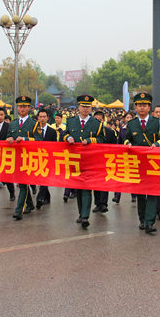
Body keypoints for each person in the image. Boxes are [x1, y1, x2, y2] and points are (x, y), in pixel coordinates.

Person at [124, 93, 160, 234]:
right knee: (141, 194)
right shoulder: (131, 124)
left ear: (149, 107)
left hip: (154, 163)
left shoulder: (158, 122)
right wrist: (128, 143)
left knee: (152, 193)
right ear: (135, 107)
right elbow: (126, 139)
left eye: (145, 105)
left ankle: (150, 222)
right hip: (138, 164)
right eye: (139, 105)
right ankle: (142, 219)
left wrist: (157, 143)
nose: (142, 108)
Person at [62, 95, 106, 228]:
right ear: (78, 107)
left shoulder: (97, 123)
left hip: (90, 160)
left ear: (91, 108)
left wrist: (90, 140)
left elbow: (102, 139)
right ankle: (81, 214)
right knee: (79, 188)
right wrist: (68, 137)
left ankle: (85, 216)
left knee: (87, 188)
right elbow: (63, 134)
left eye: (88, 106)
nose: (85, 109)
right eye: (83, 106)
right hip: (75, 160)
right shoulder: (71, 121)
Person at [8, 96, 39, 221]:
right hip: (16, 158)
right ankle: (30, 204)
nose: (22, 109)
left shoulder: (34, 124)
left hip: (28, 158)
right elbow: (8, 137)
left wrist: (25, 139)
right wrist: (9, 139)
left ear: (29, 108)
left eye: (25, 106)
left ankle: (18, 210)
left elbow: (39, 140)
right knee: (22, 184)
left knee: (23, 184)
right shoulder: (13, 123)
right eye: (20, 106)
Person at [92, 110, 116, 213]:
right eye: (96, 119)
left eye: (100, 119)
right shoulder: (90, 132)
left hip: (106, 160)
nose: (98, 121)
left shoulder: (110, 132)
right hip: (93, 161)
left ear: (103, 120)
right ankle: (97, 203)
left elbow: (115, 147)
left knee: (105, 182)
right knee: (95, 183)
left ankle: (103, 204)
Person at [34, 108, 58, 209]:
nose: (42, 119)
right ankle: (47, 196)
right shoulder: (34, 130)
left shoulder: (52, 132)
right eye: (40, 117)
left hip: (47, 159)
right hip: (36, 158)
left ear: (47, 118)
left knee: (44, 179)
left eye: (44, 117)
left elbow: (55, 147)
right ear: (37, 118)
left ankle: (40, 198)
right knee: (40, 179)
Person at [113, 111, 135, 204]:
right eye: (127, 118)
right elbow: (119, 142)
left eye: (130, 118)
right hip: (123, 155)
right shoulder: (122, 129)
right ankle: (117, 196)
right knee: (120, 176)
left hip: (134, 156)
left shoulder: (136, 129)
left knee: (133, 176)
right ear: (125, 119)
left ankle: (134, 195)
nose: (129, 119)